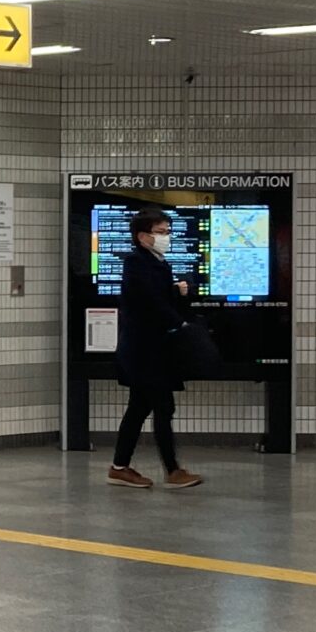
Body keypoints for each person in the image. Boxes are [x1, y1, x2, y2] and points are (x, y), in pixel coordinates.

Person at [109, 208, 202, 490]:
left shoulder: (158, 263)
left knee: (139, 408)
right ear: (143, 236)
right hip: (144, 352)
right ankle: (172, 471)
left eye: (167, 231)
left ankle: (120, 467)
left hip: (153, 350)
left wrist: (178, 294)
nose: (166, 237)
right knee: (162, 406)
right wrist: (181, 323)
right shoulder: (136, 263)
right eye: (161, 232)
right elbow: (151, 302)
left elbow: (160, 299)